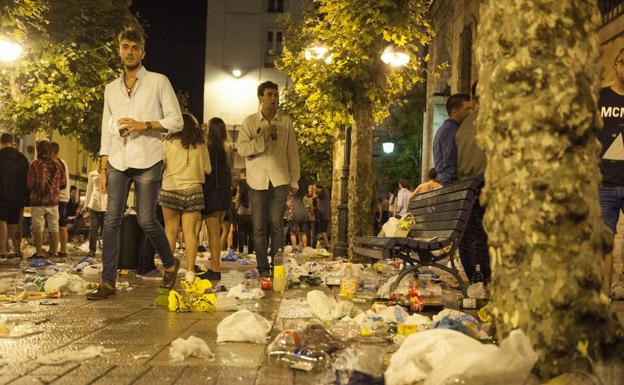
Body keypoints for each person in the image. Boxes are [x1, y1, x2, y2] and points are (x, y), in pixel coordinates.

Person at [88, 28, 183, 300]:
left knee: (146, 219)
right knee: (111, 221)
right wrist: (103, 167)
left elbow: (176, 121)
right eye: (125, 47)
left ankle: (169, 262)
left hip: (148, 159)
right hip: (118, 159)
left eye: (135, 47)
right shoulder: (110, 89)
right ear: (119, 50)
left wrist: (145, 125)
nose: (129, 52)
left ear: (143, 52)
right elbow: (106, 129)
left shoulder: (158, 81)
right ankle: (108, 283)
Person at [237, 81, 300, 277]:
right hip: (257, 180)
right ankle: (263, 268)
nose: (274, 99)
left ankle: (278, 266)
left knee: (276, 223)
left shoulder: (285, 122)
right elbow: (242, 149)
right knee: (259, 226)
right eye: (270, 95)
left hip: (280, 179)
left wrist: (294, 180)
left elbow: (292, 152)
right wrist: (262, 140)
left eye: (276, 95)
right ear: (260, 98)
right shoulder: (250, 122)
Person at [159, 113, 211, 284]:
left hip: (170, 188)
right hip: (193, 190)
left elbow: (161, 164)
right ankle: (190, 271)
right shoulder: (201, 145)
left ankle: (168, 269)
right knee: (190, 233)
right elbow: (207, 169)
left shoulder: (166, 142)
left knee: (170, 230)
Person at [455, 82, 490, 283]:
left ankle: (477, 278)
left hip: (466, 189)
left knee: (472, 234)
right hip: (484, 187)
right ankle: (485, 278)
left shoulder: (465, 126)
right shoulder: (492, 121)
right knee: (484, 236)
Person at [597, 48, 624, 294]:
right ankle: (603, 295)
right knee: (604, 242)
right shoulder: (600, 98)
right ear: (615, 66)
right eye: (623, 62)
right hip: (603, 183)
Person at [200, 117, 231, 281]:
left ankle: (215, 269)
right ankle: (215, 267)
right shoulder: (226, 150)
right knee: (216, 233)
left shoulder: (209, 148)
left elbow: (208, 174)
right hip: (224, 196)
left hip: (212, 195)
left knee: (213, 234)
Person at [26, 140, 66, 259]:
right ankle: (54, 252)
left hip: (38, 201)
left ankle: (39, 253)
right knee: (54, 226)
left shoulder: (35, 164)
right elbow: (63, 183)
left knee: (38, 227)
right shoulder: (58, 164)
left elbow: (30, 183)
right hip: (53, 201)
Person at [432, 93, 472, 186]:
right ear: (455, 112)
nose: (471, 112)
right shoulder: (452, 129)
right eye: (467, 109)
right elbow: (450, 159)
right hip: (452, 183)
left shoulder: (444, 128)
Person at [0, 133, 29, 257]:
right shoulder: (22, 158)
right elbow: (27, 178)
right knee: (14, 223)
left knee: (2, 221)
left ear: (1, 142)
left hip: (1, 194)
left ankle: (2, 251)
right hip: (17, 195)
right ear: (12, 142)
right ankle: (17, 250)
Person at [50, 142, 71, 258]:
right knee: (60, 224)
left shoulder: (57, 163)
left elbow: (60, 183)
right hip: (63, 197)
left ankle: (60, 250)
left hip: (59, 197)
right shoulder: (63, 162)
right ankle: (60, 249)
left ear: (52, 151)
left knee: (58, 224)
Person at [84, 159, 108, 258]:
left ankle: (105, 250)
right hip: (93, 203)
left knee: (105, 229)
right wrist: (85, 204)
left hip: (105, 204)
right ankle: (92, 250)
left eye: (102, 161)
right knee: (93, 228)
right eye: (99, 161)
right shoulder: (92, 174)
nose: (100, 163)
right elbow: (89, 189)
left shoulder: (109, 174)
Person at [236, 169, 254, 255]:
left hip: (242, 212)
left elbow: (238, 197)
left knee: (241, 231)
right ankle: (251, 251)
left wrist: (236, 207)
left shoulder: (241, 184)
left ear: (243, 174)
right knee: (251, 233)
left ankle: (241, 250)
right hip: (252, 212)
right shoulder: (254, 184)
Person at [315, 182, 330, 249]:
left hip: (323, 215)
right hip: (324, 214)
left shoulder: (322, 192)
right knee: (321, 231)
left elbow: (314, 196)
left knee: (322, 230)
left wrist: (313, 191)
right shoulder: (325, 192)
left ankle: (327, 245)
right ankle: (323, 244)